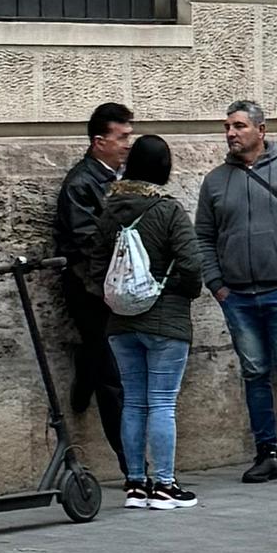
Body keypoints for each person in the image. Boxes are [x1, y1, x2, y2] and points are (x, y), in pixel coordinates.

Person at [200, 102, 277, 487]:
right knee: (254, 373)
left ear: (261, 129)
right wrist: (217, 285)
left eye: (239, 126)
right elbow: (203, 237)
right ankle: (266, 453)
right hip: (237, 295)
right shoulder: (216, 180)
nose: (231, 133)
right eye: (227, 127)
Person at [95, 128, 207, 505]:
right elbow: (192, 264)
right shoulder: (168, 210)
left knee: (134, 401)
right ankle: (163, 484)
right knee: (162, 401)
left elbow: (96, 266)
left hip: (120, 322)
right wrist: (178, 289)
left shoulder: (109, 210)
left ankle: (135, 482)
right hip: (166, 321)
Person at [48, 99, 137, 462]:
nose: (128, 144)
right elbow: (89, 243)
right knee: (112, 377)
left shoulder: (122, 180)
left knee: (108, 364)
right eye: (122, 137)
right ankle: (129, 459)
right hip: (93, 291)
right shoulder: (82, 183)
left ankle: (85, 369)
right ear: (100, 142)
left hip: (118, 290)